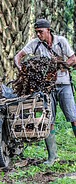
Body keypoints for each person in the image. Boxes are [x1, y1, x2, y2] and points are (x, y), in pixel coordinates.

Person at [14, 18, 76, 166]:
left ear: (48, 30)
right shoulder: (35, 44)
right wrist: (20, 68)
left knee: (73, 117)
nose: (38, 35)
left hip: (64, 85)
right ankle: (52, 157)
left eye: (41, 32)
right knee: (49, 121)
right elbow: (19, 56)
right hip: (47, 88)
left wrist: (64, 64)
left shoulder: (61, 42)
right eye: (36, 32)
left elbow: (74, 57)